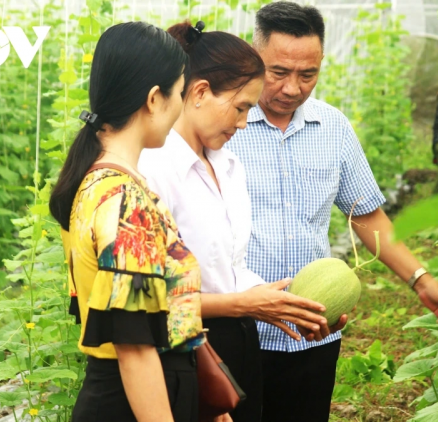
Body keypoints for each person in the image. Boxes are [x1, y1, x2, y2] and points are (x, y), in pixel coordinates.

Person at [225, 3, 438, 421]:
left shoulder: (333, 128)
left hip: (314, 333)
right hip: (238, 332)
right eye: (278, 72)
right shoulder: (225, 129)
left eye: (308, 75)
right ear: (254, 58)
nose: (292, 88)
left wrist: (420, 279)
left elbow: (366, 215)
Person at [138, 21, 329, 422]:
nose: (243, 123)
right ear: (200, 92)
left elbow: (231, 269)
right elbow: (149, 300)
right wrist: (245, 303)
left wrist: (289, 305)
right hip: (182, 347)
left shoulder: (228, 166)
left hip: (237, 343)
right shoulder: (154, 169)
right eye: (240, 107)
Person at [49, 22, 205, 422]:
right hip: (134, 401)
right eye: (180, 93)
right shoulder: (124, 202)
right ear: (155, 98)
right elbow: (134, 346)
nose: (180, 109)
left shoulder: (93, 181)